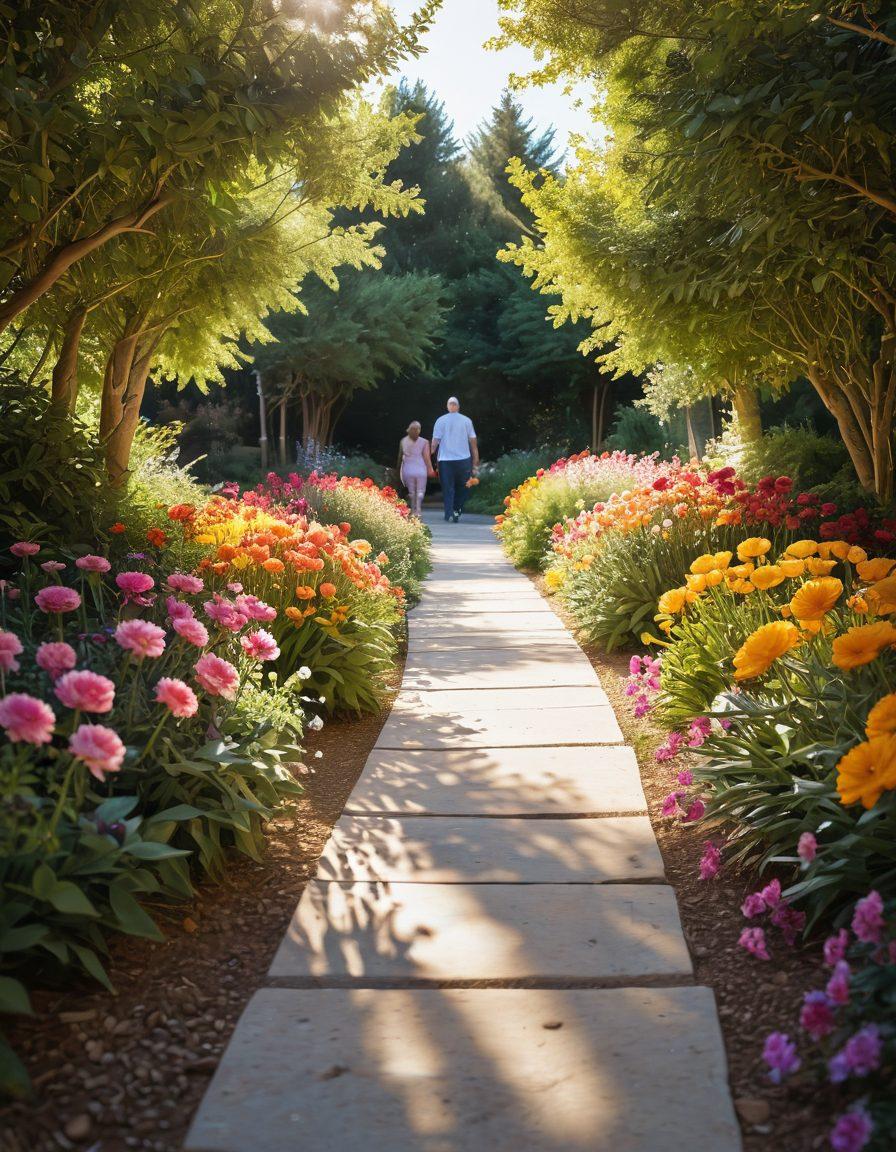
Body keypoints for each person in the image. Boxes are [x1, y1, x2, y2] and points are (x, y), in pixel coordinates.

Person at [431, 396, 479, 523]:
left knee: (448, 487)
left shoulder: (440, 420)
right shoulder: (466, 421)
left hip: (445, 460)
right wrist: (475, 460)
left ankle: (449, 513)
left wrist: (430, 456)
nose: (452, 406)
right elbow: (473, 442)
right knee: (462, 487)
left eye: (452, 404)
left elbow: (435, 442)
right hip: (463, 460)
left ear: (449, 406)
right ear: (458, 406)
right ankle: (456, 510)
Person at [397, 421, 432, 517]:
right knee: (420, 490)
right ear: (419, 430)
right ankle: (418, 509)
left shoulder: (403, 441)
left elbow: (400, 457)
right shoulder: (424, 442)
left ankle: (413, 510)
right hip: (421, 469)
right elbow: (426, 457)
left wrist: (398, 469)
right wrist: (430, 469)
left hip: (408, 469)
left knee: (412, 491)